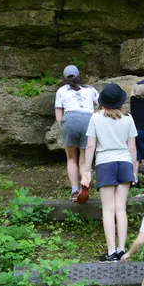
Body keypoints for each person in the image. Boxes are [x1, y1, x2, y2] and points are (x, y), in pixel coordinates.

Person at [81, 83, 138, 262]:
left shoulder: (96, 118)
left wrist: (87, 171)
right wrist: (134, 171)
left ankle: (111, 252)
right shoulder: (128, 118)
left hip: (105, 163)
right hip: (125, 162)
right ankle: (122, 250)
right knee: (121, 208)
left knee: (108, 209)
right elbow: (133, 148)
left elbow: (90, 146)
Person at [54, 65, 99, 201]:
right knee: (84, 159)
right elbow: (102, 103)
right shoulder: (90, 89)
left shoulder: (61, 90)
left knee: (71, 157)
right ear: (79, 75)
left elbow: (58, 113)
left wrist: (63, 128)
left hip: (70, 119)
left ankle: (74, 190)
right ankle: (84, 185)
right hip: (88, 119)